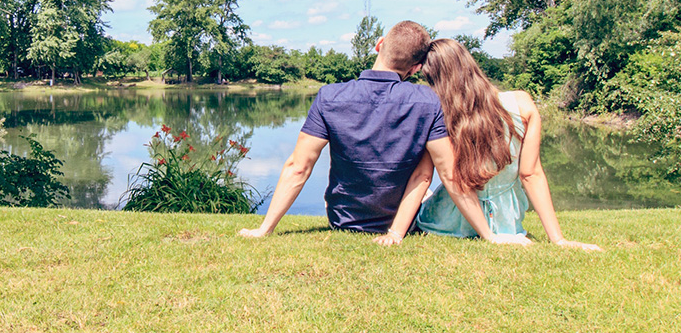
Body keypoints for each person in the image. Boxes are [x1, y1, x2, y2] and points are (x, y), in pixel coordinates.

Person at [239, 22, 526, 242]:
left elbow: (298, 168)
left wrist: (264, 229)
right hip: (403, 221)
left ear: (379, 45)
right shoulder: (427, 102)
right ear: (415, 68)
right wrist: (490, 236)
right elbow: (447, 174)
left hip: (343, 221)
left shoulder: (329, 96)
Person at [374, 38, 601, 250]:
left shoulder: (438, 114)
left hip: (447, 223)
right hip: (505, 224)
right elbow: (531, 175)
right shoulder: (522, 103)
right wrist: (558, 239)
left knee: (427, 193)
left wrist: (396, 232)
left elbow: (423, 176)